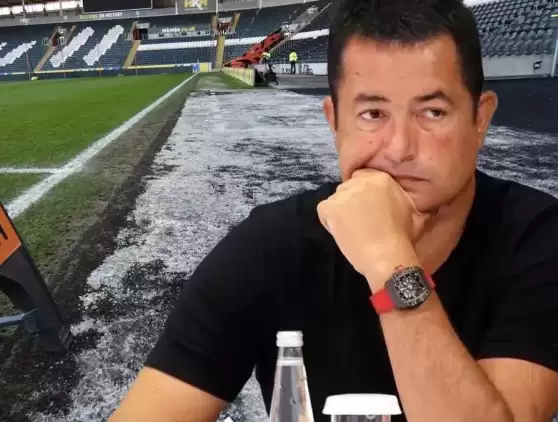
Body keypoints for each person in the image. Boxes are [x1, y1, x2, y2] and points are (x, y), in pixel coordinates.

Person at [109, 0, 558, 421]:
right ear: (334, 121)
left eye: (433, 112)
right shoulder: (271, 245)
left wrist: (389, 260)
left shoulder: (538, 238)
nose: (400, 148)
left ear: (480, 119)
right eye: (372, 114)